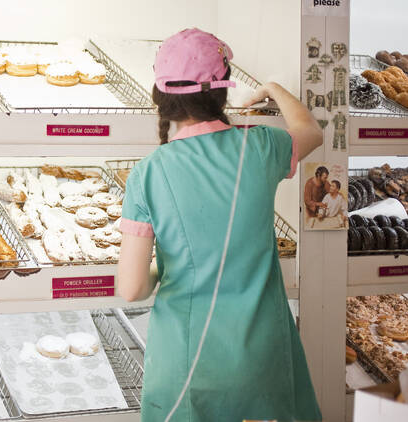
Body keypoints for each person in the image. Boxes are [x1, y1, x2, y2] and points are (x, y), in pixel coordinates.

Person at [117, 28, 323, 422]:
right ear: (222, 92)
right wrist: (274, 88)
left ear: (160, 95)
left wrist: (167, 264)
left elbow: (132, 288)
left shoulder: (147, 173)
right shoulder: (261, 147)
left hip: (187, 365)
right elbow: (311, 130)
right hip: (261, 360)